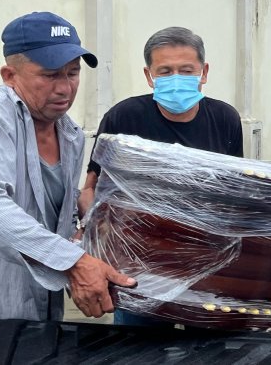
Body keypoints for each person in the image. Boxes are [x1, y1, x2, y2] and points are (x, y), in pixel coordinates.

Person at [0, 12, 135, 348]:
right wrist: (73, 261)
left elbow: (44, 212)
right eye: (49, 75)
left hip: (36, 315)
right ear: (9, 75)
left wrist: (86, 228)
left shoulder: (70, 133)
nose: (64, 87)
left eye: (72, 73)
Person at [77, 26, 243, 325]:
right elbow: (90, 188)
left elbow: (235, 190)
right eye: (165, 71)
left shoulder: (224, 118)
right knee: (141, 349)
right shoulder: (123, 117)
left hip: (207, 263)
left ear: (203, 72)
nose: (175, 78)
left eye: (186, 70)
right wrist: (99, 241)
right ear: (148, 75)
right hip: (140, 266)